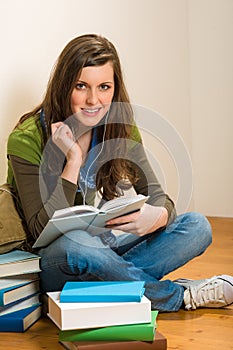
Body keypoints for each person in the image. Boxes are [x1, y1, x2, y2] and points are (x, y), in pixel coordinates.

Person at [7, 33, 232, 312]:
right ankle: (177, 296)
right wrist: (73, 160)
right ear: (64, 86)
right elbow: (41, 231)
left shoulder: (119, 128)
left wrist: (158, 215)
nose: (93, 100)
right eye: (81, 86)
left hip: (101, 250)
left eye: (104, 87)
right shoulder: (26, 139)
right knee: (76, 246)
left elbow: (159, 197)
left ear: (115, 89)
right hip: (55, 261)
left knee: (197, 227)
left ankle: (105, 286)